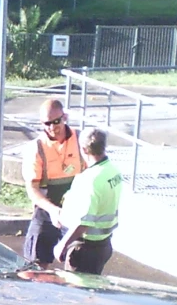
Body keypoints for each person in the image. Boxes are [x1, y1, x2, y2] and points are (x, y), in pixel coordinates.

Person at [22, 99, 85, 269]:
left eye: (56, 121)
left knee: (78, 265)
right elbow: (32, 189)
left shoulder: (81, 140)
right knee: (34, 264)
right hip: (47, 209)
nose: (52, 127)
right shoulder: (36, 148)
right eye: (47, 123)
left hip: (76, 211)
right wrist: (53, 210)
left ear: (64, 117)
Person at [54, 128, 122, 275]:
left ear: (84, 150)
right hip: (104, 243)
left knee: (77, 293)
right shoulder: (113, 171)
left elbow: (84, 222)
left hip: (85, 248)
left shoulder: (90, 179)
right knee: (91, 292)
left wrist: (62, 245)